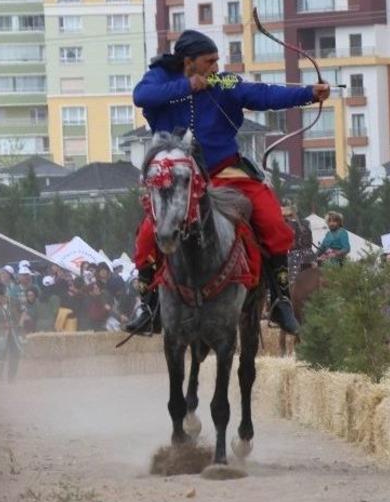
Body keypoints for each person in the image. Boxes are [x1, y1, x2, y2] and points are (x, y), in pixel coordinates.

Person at [126, 29, 330, 336]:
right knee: (148, 235)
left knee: (273, 222)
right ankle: (147, 304)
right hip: (179, 177)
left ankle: (280, 300)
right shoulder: (160, 77)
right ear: (189, 62)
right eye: (209, 61)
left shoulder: (223, 84)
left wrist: (308, 93)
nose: (215, 66)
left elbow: (263, 95)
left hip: (225, 171)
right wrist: (189, 86)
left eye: (216, 60)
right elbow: (141, 96)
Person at [0, 281, 22, 382]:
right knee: (0, 354)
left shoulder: (14, 302)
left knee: (16, 353)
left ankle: (12, 377)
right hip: (1, 334)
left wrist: (20, 323)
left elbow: (23, 311)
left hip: (14, 333)